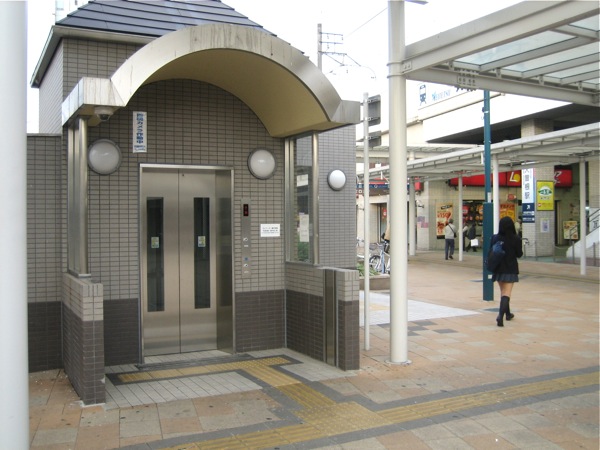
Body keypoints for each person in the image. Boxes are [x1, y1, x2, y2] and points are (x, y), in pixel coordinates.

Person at [491, 216, 523, 327]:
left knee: (503, 292)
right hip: (510, 268)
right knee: (506, 293)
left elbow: (491, 251)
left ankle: (508, 314)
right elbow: (519, 254)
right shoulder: (516, 238)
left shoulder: (495, 238)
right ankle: (500, 316)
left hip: (498, 268)